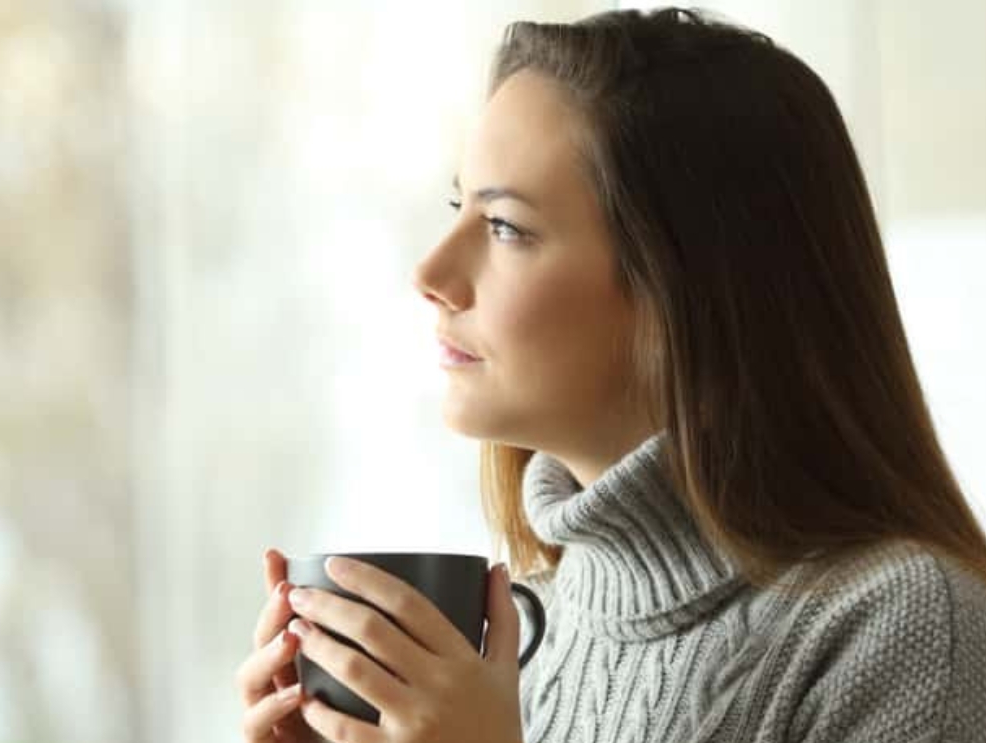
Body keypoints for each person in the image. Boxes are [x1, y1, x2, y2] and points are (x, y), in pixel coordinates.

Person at [235, 7, 986, 742]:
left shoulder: (905, 626)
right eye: (459, 206)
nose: (430, 272)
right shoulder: (514, 637)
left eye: (504, 226)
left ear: (686, 288)